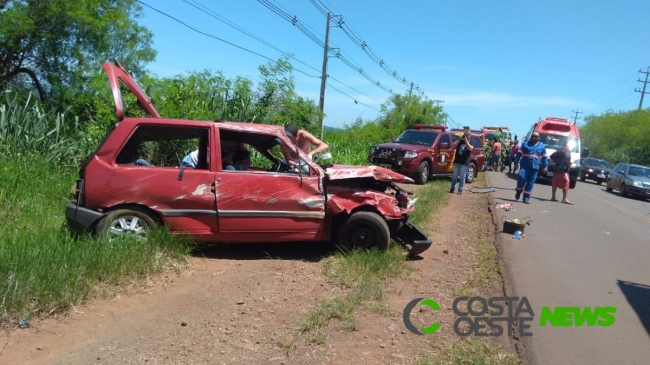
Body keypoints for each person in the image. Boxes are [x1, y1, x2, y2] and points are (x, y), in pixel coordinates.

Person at [513, 132, 548, 204]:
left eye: (536, 137)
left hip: (535, 168)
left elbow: (544, 157)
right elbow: (519, 154)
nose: (534, 138)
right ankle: (518, 191)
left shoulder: (542, 146)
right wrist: (516, 162)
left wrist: (545, 166)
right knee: (521, 179)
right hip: (524, 167)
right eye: (533, 136)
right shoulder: (525, 144)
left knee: (530, 184)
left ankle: (526, 198)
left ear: (539, 138)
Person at [449, 127, 474, 195]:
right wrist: (459, 139)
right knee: (454, 176)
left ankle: (460, 189)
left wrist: (466, 141)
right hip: (457, 161)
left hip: (465, 162)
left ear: (470, 135)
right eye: (465, 134)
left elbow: (470, 148)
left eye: (467, 134)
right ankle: (452, 188)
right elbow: (453, 146)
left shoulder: (471, 141)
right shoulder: (460, 141)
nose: (466, 136)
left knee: (462, 176)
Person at [550, 140, 573, 204]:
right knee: (566, 182)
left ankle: (553, 197)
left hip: (556, 169)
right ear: (567, 144)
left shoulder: (559, 150)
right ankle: (564, 198)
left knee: (555, 183)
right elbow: (568, 159)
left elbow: (551, 156)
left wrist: (556, 161)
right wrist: (569, 165)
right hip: (563, 169)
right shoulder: (567, 150)